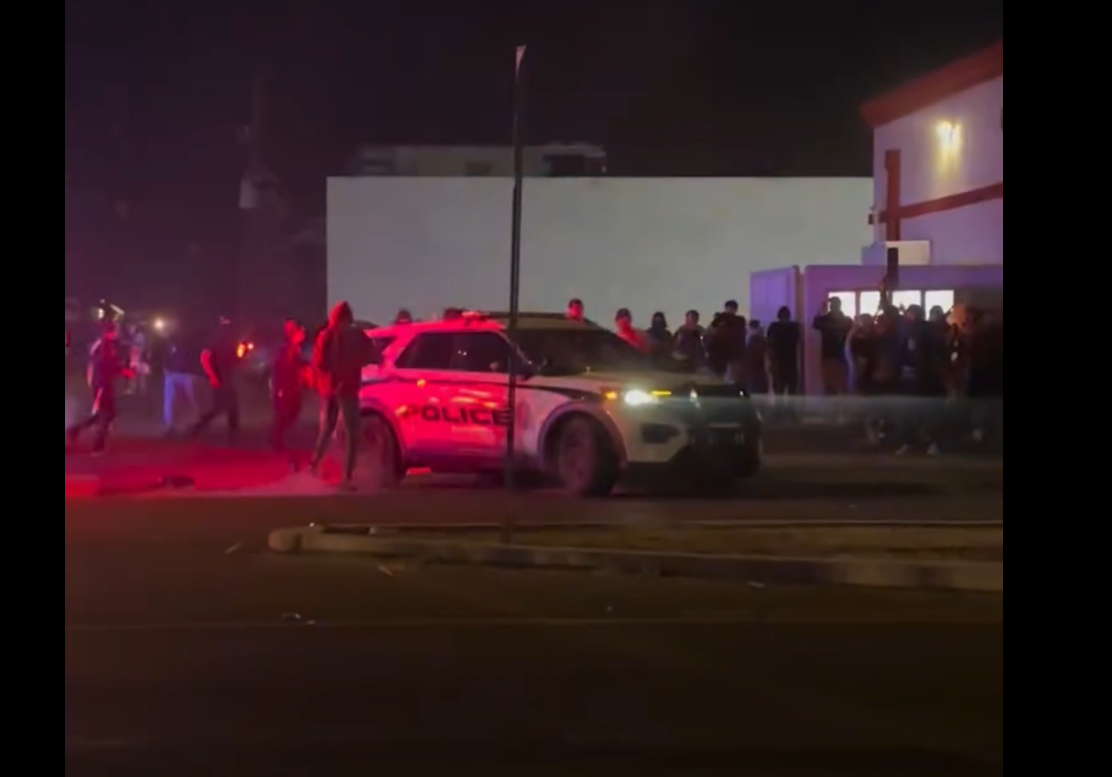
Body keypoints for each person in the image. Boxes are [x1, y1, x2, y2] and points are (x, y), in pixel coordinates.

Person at [309, 301, 375, 489]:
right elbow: (373, 355)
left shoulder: (325, 336)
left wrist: (331, 375)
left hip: (330, 389)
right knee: (352, 432)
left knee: (327, 429)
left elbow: (319, 363)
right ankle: (346, 477)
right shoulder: (356, 335)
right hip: (347, 388)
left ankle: (314, 466)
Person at [67, 327, 133, 453]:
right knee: (105, 416)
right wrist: (132, 370)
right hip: (102, 388)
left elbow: (95, 365)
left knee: (106, 414)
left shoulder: (100, 350)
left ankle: (76, 430)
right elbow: (121, 370)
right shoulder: (107, 354)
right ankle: (97, 445)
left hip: (101, 386)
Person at [188, 316, 241, 441]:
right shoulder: (217, 338)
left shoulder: (230, 340)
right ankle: (198, 427)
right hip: (220, 377)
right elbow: (204, 357)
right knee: (222, 406)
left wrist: (240, 354)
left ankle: (233, 431)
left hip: (226, 376)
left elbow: (233, 360)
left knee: (230, 405)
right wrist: (212, 376)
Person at [271, 318, 309, 461]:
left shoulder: (294, 349)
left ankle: (277, 437)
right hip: (285, 387)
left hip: (292, 386)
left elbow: (299, 363)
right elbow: (280, 370)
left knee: (293, 411)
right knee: (285, 414)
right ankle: (275, 440)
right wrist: (279, 389)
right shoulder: (285, 350)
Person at [162, 328, 205, 435]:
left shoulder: (182, 344)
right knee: (178, 401)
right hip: (180, 373)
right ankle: (177, 425)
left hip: (184, 373)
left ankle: (188, 425)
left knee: (184, 400)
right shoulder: (175, 344)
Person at [812, 297, 852, 398]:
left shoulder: (843, 320)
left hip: (835, 356)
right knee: (832, 388)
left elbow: (816, 323)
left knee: (836, 388)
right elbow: (815, 324)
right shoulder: (844, 320)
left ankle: (837, 410)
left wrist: (821, 310)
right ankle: (836, 410)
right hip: (833, 356)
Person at [766, 306, 801, 401]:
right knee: (792, 387)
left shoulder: (774, 326)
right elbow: (797, 341)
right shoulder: (794, 327)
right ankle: (792, 410)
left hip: (778, 359)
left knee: (778, 387)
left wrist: (769, 359)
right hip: (791, 359)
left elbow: (769, 342)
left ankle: (779, 409)